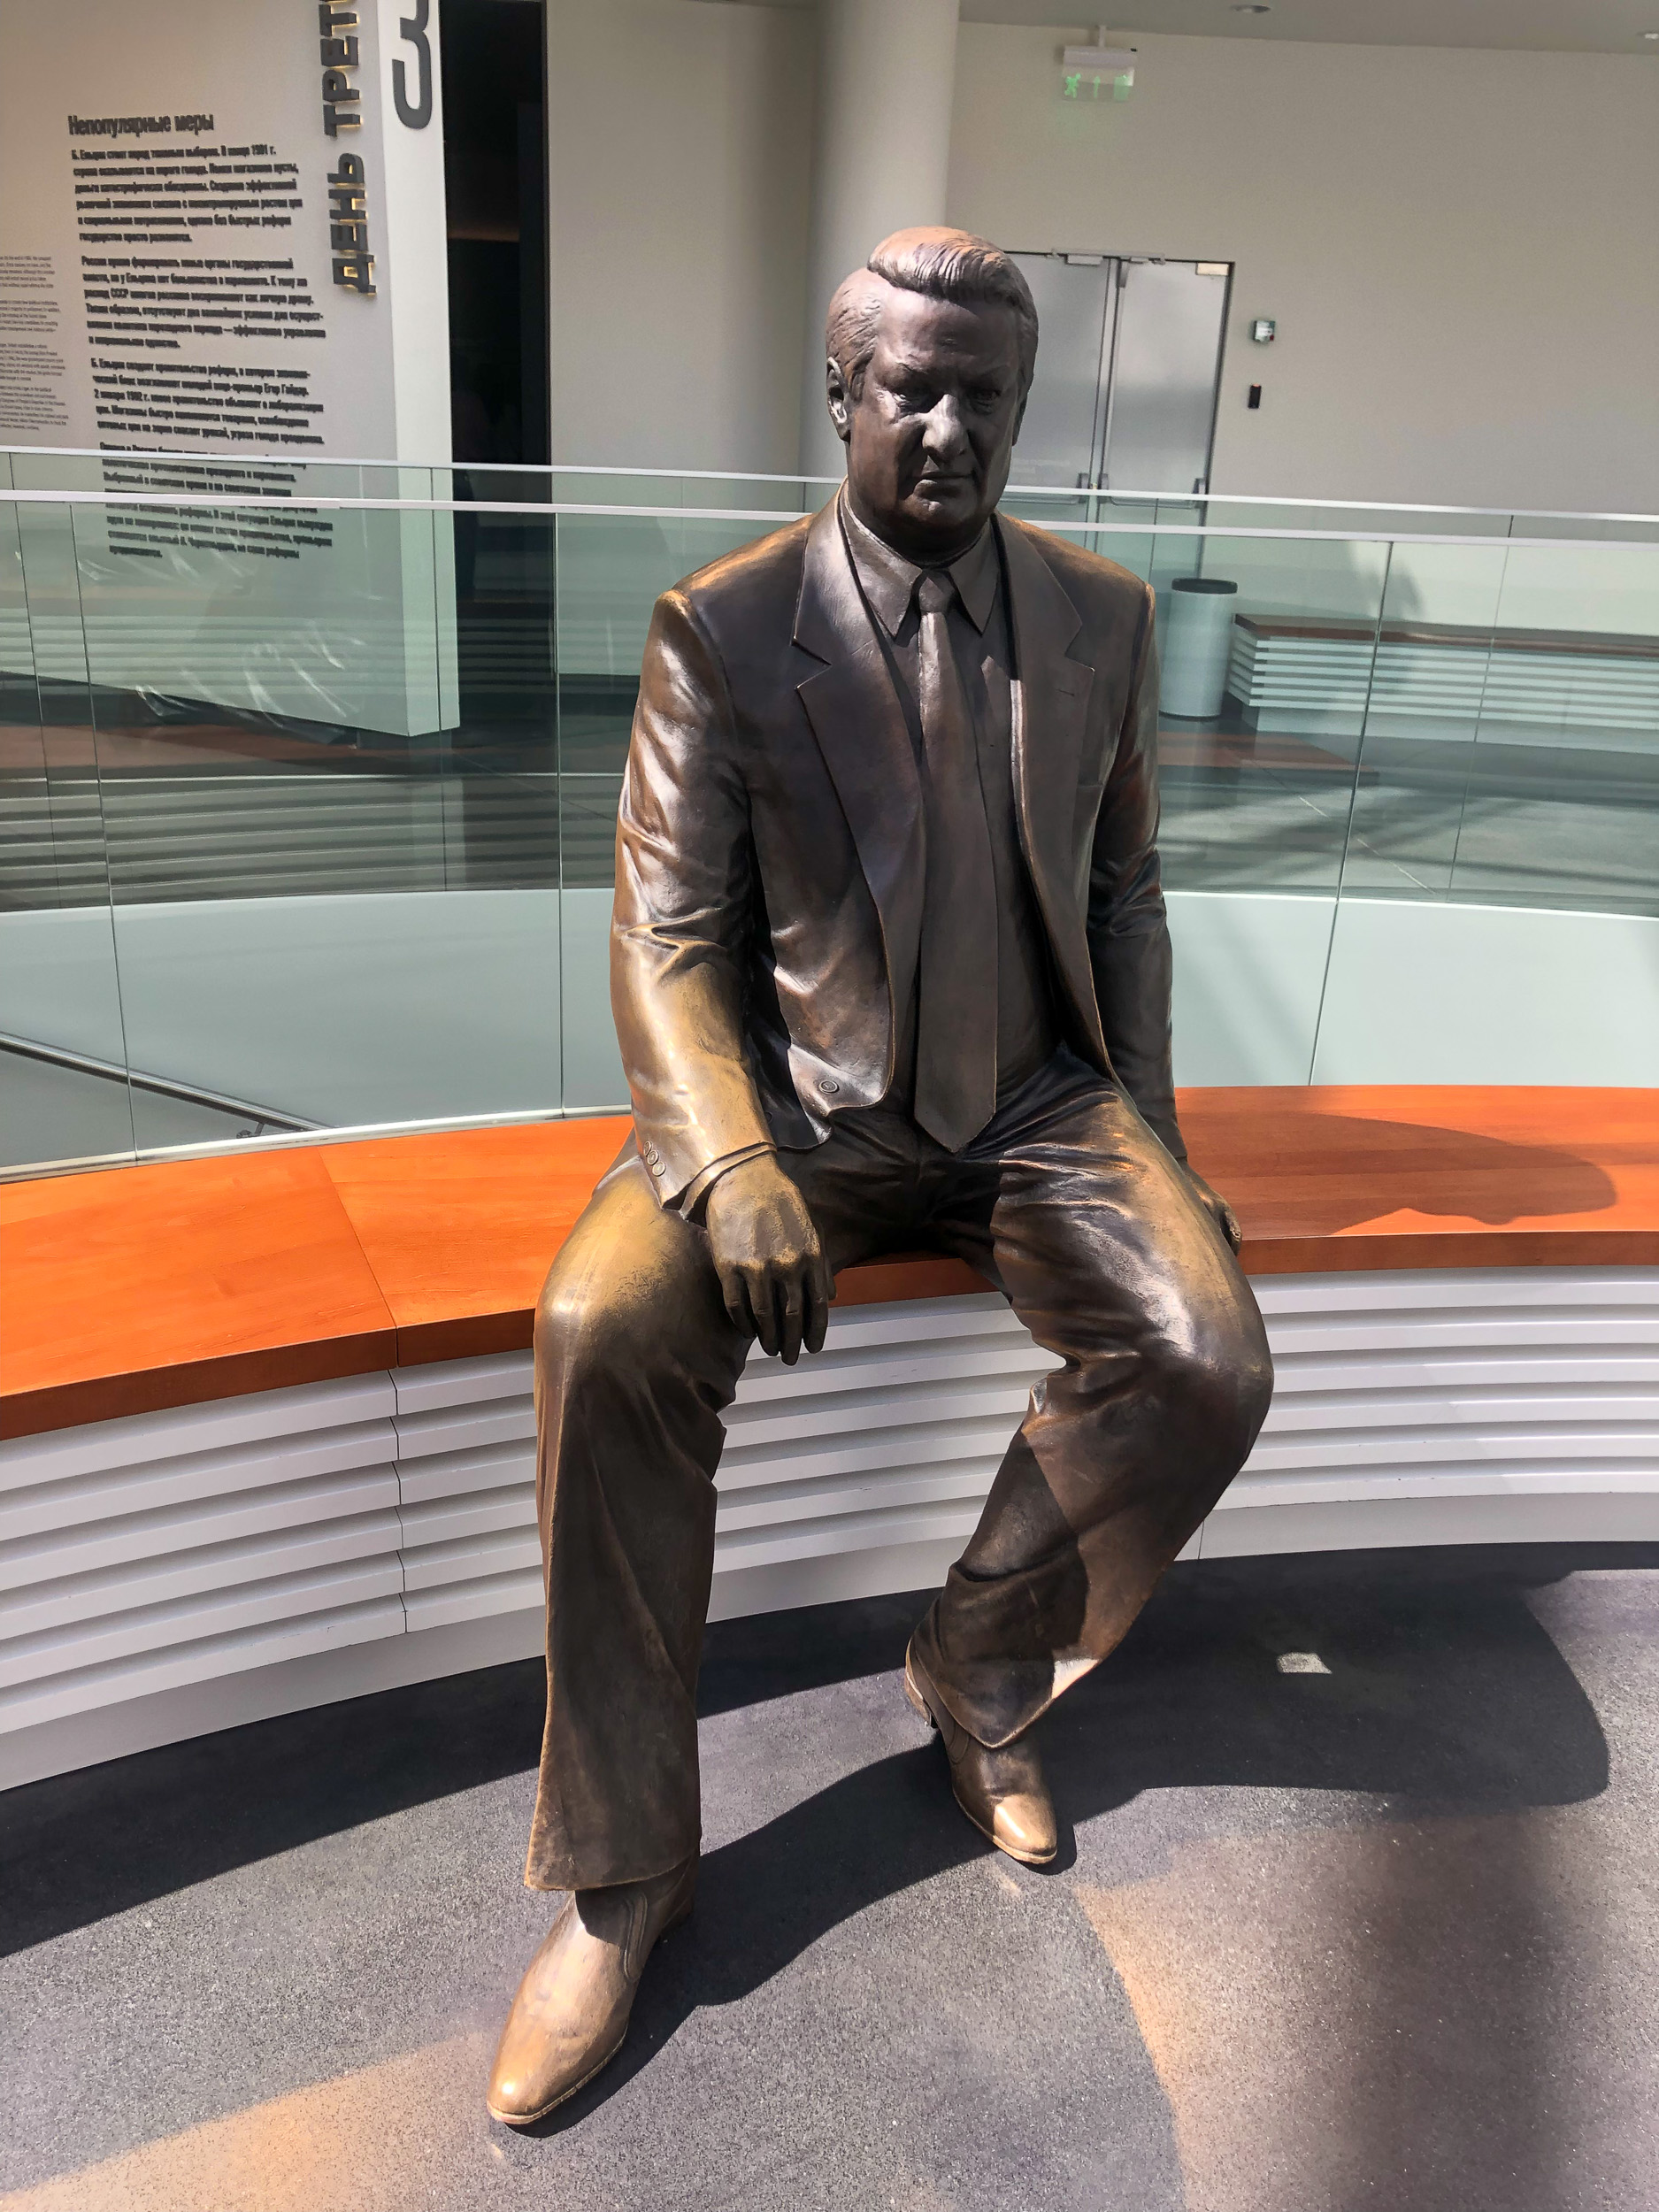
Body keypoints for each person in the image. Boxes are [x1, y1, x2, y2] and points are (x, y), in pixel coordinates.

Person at [486, 227, 1273, 2125]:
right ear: (839, 394)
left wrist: (1157, 1142)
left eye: (983, 396)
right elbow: (665, 935)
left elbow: (1123, 896)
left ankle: (974, 1663)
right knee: (599, 1324)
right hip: (797, 1113)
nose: (947, 427)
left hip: (1034, 1108)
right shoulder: (724, 625)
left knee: (1204, 1350)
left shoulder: (1100, 617)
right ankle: (625, 1867)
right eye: (910, 389)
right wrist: (730, 1156)